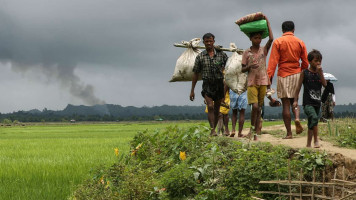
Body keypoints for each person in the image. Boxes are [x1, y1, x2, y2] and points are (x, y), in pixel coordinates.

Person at [267, 21, 309, 139]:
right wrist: (303, 73)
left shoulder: (278, 42)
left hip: (283, 74)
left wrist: (269, 77)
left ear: (282, 30)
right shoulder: (300, 42)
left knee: (285, 104)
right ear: (293, 30)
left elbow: (273, 62)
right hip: (296, 73)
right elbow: (305, 61)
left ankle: (289, 133)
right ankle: (296, 118)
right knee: (294, 101)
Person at [241, 16, 273, 140]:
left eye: (259, 38)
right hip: (252, 82)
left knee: (259, 108)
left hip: (263, 81)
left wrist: (268, 23)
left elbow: (271, 39)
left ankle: (254, 132)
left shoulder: (263, 50)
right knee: (254, 107)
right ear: (251, 39)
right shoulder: (246, 52)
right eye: (256, 38)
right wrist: (249, 66)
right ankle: (252, 129)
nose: (258, 40)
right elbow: (242, 69)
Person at [190, 33, 228, 136]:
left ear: (214, 41)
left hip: (219, 83)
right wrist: (192, 90)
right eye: (207, 41)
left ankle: (213, 130)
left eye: (211, 41)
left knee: (216, 109)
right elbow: (195, 74)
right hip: (207, 84)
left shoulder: (221, 55)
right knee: (210, 106)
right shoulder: (200, 57)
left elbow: (229, 67)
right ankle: (212, 129)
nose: (209, 43)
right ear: (204, 43)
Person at [293, 49, 327, 148]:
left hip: (317, 102)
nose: (318, 63)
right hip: (308, 102)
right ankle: (316, 140)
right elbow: (298, 87)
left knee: (312, 122)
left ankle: (308, 144)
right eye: (316, 61)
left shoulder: (320, 73)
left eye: (320, 61)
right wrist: (295, 100)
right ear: (310, 61)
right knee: (314, 118)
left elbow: (325, 84)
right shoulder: (305, 73)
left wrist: (320, 73)